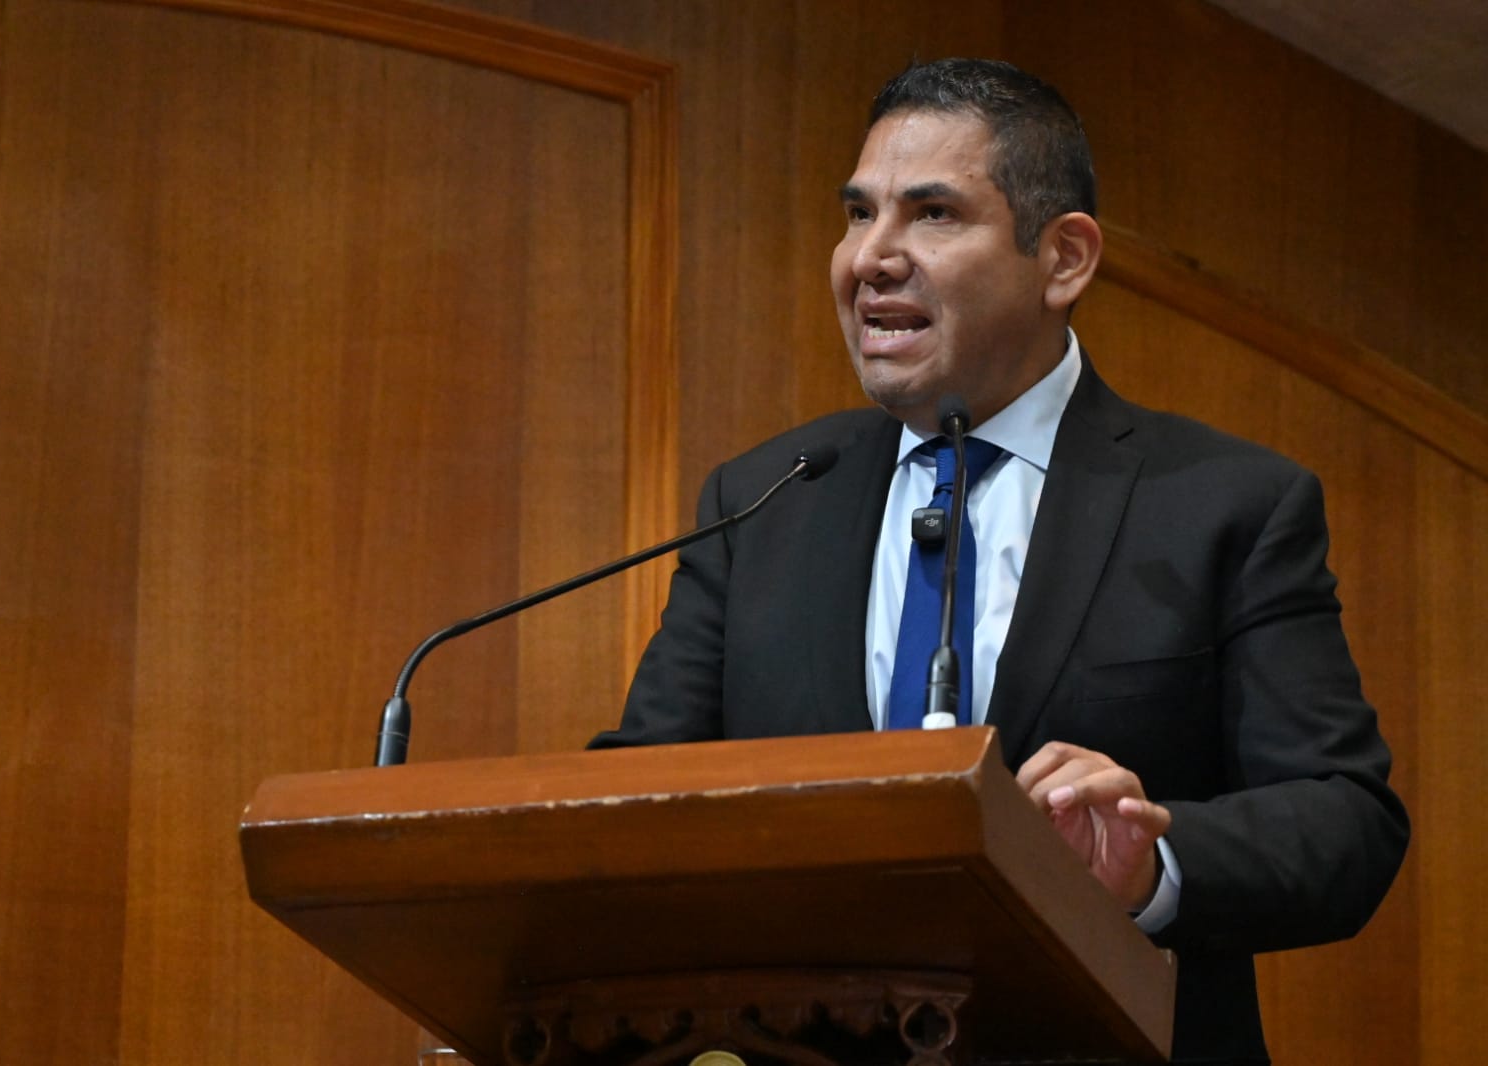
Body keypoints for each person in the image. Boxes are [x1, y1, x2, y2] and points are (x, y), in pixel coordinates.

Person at [591, 58, 1408, 1065]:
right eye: (858, 215)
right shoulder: (763, 498)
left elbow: (1344, 823)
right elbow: (637, 800)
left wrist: (1152, 862)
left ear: (1062, 258)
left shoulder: (1223, 504)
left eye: (932, 214)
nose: (869, 258)